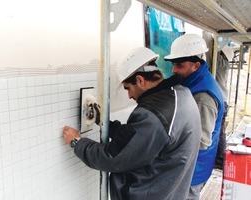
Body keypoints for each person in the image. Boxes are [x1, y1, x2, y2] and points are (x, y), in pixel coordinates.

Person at [63, 47, 202, 200]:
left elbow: (112, 157)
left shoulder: (153, 115)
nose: (129, 96)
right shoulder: (181, 94)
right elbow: (136, 139)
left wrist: (77, 142)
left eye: (128, 88)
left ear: (140, 80)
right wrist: (103, 122)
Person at [164, 34, 225, 200]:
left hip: (193, 170)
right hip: (191, 166)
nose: (174, 70)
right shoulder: (193, 80)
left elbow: (202, 141)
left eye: (179, 65)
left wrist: (165, 142)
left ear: (196, 65)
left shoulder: (203, 96)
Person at [214, 45, 234, 169]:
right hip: (223, 101)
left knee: (220, 132)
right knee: (220, 131)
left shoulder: (221, 64)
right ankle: (220, 158)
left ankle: (221, 160)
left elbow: (214, 56)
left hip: (221, 101)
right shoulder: (225, 65)